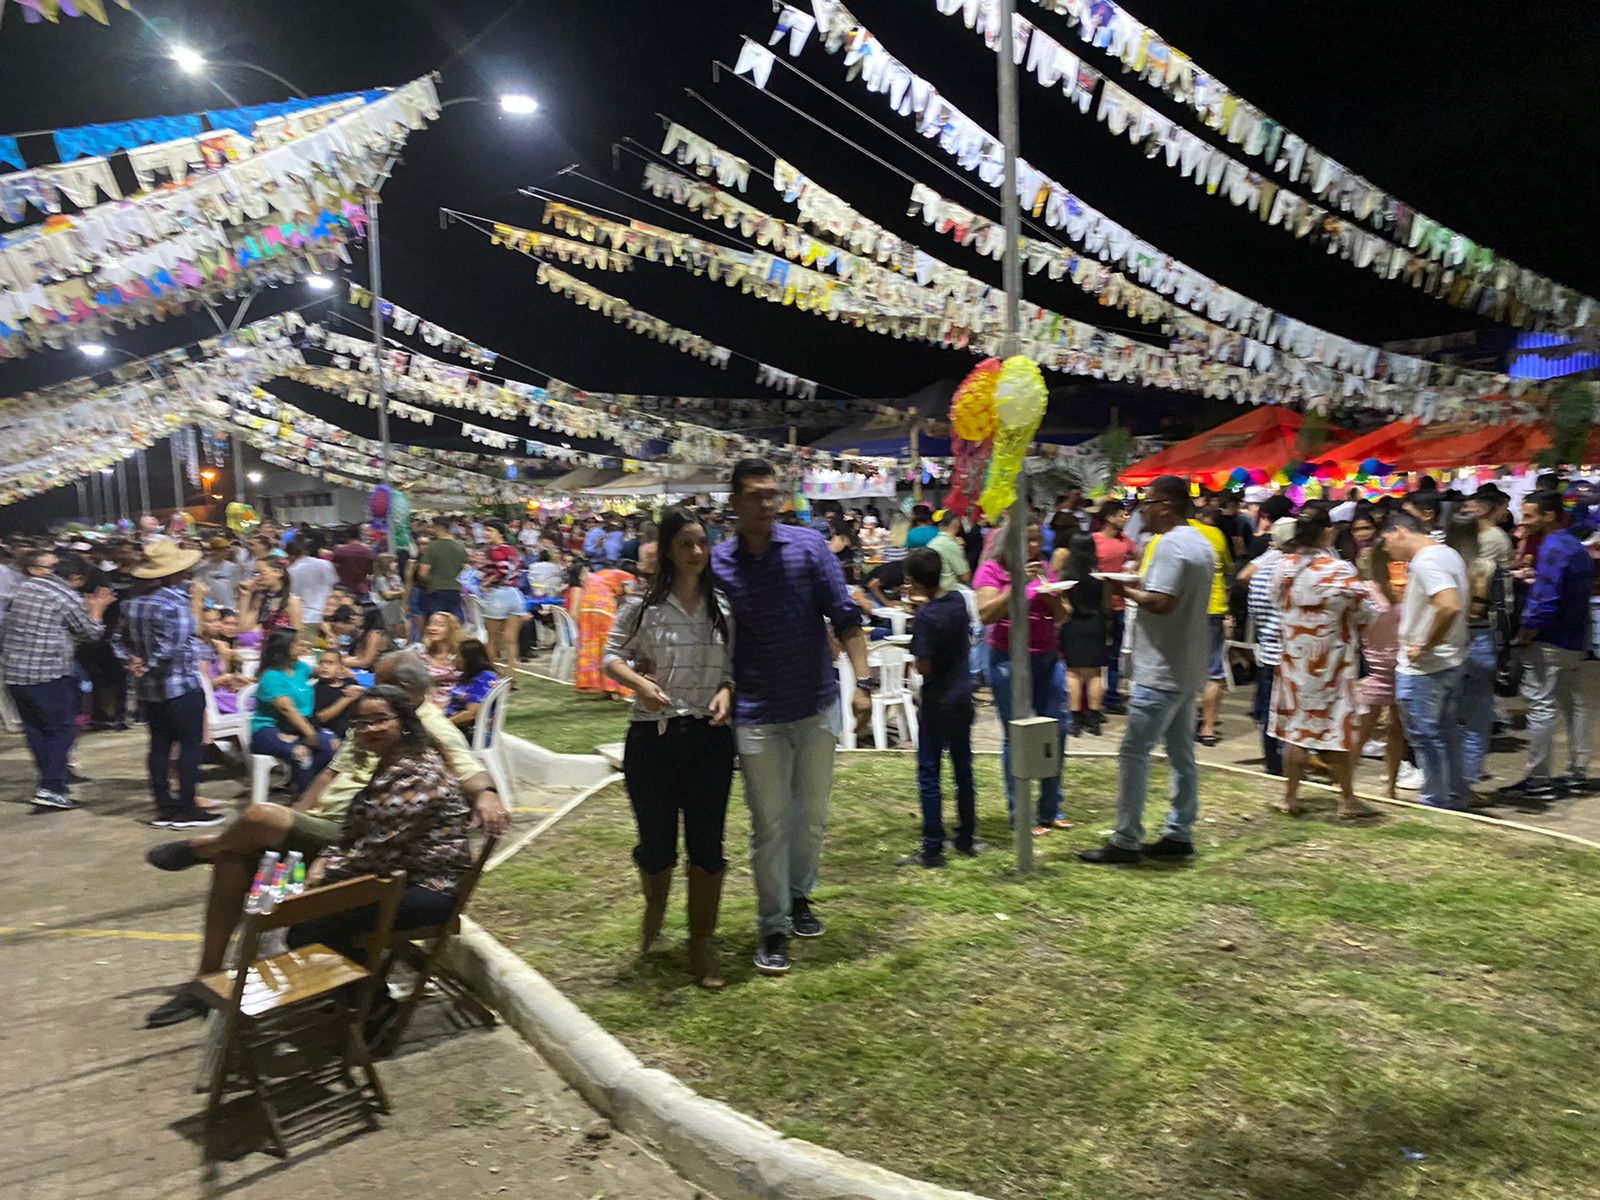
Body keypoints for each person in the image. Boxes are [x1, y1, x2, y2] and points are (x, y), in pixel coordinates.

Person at [142, 653, 506, 1027]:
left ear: (404, 700)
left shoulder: (424, 746)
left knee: (275, 847)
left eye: (379, 695)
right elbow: (334, 785)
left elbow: (382, 844)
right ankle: (207, 978)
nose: (368, 696)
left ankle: (365, 1004)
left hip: (383, 862)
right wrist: (297, 823)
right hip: (349, 842)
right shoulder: (372, 730)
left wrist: (488, 794)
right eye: (364, 720)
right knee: (235, 857)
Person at [711, 459, 871, 976]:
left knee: (813, 814)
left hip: (816, 703)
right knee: (770, 823)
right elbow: (710, 635)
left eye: (773, 494)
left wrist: (863, 683)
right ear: (734, 502)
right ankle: (773, 925)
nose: (767, 504)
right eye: (756, 495)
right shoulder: (719, 563)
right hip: (757, 712)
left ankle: (800, 895)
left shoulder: (808, 547)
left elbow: (844, 614)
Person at [602, 508, 736, 988]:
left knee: (708, 846)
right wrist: (640, 683)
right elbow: (610, 657)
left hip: (709, 738)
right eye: (685, 544)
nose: (696, 552)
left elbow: (732, 665)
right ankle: (654, 911)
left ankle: (701, 943)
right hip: (652, 738)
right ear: (667, 551)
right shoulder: (643, 606)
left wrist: (727, 689)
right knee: (656, 846)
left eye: (701, 542)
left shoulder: (723, 605)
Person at [286, 687, 472, 981]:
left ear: (404, 722)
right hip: (397, 875)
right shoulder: (393, 762)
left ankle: (369, 1000)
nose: (370, 729)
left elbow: (377, 850)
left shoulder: (415, 775)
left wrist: (321, 875)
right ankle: (361, 992)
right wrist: (326, 858)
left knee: (309, 924)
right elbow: (359, 833)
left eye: (380, 720)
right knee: (308, 911)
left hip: (429, 888)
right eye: (361, 723)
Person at [1080, 475, 1214, 866]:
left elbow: (1161, 603)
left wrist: (1122, 590)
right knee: (1182, 754)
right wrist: (1138, 583)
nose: (1142, 512)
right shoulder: (1200, 542)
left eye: (1147, 504)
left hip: (1161, 667)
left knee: (1134, 753)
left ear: (1166, 505)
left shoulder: (1170, 544)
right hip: (1187, 665)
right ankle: (1179, 832)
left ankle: (1126, 839)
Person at [1267, 509, 1381, 819]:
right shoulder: (1339, 570)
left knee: (1295, 729)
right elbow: (1366, 612)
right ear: (1327, 531)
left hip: (1294, 659)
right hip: (1332, 660)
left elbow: (1276, 602)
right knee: (1336, 728)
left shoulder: (1283, 567)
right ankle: (1346, 799)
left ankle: (1290, 797)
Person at [117, 539, 224, 829]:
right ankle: (187, 807)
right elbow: (174, 645)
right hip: (180, 685)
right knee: (190, 746)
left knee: (159, 747)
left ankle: (164, 806)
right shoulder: (174, 603)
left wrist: (132, 662)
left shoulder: (132, 603)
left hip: (147, 689)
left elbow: (117, 640)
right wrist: (148, 664)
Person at [973, 517, 1070, 835]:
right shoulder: (992, 571)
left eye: (1037, 539)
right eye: (1027, 540)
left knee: (1056, 730)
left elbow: (1063, 615)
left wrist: (1053, 598)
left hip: (1047, 657)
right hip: (1008, 659)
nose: (1034, 546)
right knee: (1016, 735)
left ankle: (1050, 808)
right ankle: (1022, 814)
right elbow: (986, 614)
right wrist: (1018, 584)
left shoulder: (1043, 568)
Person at [1502, 491, 1596, 801]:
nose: (1524, 521)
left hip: (1550, 640)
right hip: (1574, 638)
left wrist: (1525, 634)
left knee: (1541, 707)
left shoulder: (1552, 546)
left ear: (1549, 515)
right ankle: (1578, 772)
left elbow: (1545, 602)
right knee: (1574, 706)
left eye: (1529, 515)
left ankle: (1538, 779)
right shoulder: (1574, 546)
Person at [1, 550, 112, 810]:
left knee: (36, 728)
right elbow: (91, 633)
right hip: (47, 673)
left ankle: (56, 776)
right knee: (63, 728)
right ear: (75, 577)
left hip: (15, 673)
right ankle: (51, 787)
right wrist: (97, 609)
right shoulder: (63, 595)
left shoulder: (22, 588)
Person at [1383, 511, 1470, 810]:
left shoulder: (1426, 561)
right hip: (1450, 660)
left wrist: (1425, 645)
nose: (1387, 549)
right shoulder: (1448, 554)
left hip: (1426, 667)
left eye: (1386, 541)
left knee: (1424, 736)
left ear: (1399, 531)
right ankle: (1454, 793)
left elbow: (1449, 605)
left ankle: (1436, 800)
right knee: (1445, 731)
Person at [899, 546, 978, 868]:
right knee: (963, 770)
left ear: (916, 581)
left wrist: (920, 613)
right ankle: (966, 837)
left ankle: (933, 847)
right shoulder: (958, 601)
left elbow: (923, 666)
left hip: (937, 699)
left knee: (930, 773)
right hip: (962, 696)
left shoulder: (925, 617)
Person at [1448, 513, 1499, 801]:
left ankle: (1446, 781)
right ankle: (1464, 785)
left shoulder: (1439, 563)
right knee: (1477, 720)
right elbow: (1481, 610)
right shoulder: (1485, 566)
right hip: (1479, 641)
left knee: (1448, 719)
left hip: (1448, 642)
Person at [251, 628, 338, 793]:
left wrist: (340, 669)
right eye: (297, 643)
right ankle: (305, 796)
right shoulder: (271, 676)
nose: (301, 646)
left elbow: (321, 671)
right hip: (270, 728)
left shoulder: (300, 668)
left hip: (299, 725)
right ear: (284, 648)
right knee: (301, 753)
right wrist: (309, 733)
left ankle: (317, 789)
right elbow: (286, 708)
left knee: (332, 744)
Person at [1353, 540, 1408, 799]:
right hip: (1376, 669)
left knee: (1396, 731)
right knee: (1363, 730)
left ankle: (1390, 786)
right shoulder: (1366, 591)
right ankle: (1344, 783)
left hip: (1403, 667)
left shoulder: (1403, 588)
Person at [1243, 517, 1293, 776]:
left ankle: (1274, 764)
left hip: (1268, 650)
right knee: (1292, 714)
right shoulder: (1293, 569)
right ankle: (1291, 765)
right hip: (1291, 652)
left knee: (1270, 713)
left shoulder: (1261, 570)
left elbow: (1254, 610)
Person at [1058, 533, 1109, 737]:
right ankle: (1094, 718)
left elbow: (1063, 605)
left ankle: (1075, 718)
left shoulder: (1067, 576)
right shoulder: (1099, 575)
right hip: (1095, 623)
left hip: (1073, 624)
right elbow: (1106, 603)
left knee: (1073, 673)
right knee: (1095, 673)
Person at [1090, 501, 1137, 713]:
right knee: (1094, 653)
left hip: (1119, 604)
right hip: (1097, 604)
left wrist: (1131, 570)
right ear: (1110, 517)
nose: (1126, 519)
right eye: (1122, 515)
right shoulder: (1094, 540)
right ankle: (1092, 698)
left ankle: (1111, 697)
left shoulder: (1124, 540)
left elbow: (1138, 557)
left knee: (1114, 654)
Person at [575, 565, 635, 698]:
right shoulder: (629, 577)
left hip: (586, 608)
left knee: (593, 648)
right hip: (603, 609)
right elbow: (631, 597)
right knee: (611, 647)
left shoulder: (602, 574)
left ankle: (599, 685)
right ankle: (613, 687)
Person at [478, 519, 526, 677]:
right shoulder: (512, 550)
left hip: (497, 594)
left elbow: (502, 570)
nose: (486, 533)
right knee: (511, 640)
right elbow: (517, 570)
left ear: (499, 533)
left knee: (492, 638)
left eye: (490, 530)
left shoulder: (495, 550)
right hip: (515, 595)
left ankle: (492, 674)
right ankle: (511, 675)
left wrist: (486, 582)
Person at [417, 516, 470, 619]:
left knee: (437, 620)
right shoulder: (460, 547)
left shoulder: (432, 547)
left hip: (436, 590)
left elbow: (423, 573)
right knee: (454, 621)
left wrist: (429, 583)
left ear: (438, 527)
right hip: (455, 591)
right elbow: (467, 570)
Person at [445, 637, 500, 734]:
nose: (454, 659)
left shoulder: (485, 678)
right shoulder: (468, 676)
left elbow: (471, 714)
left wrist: (443, 725)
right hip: (453, 726)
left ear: (469, 659)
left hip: (465, 732)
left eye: (458, 656)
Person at [286, 536, 337, 640]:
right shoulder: (326, 564)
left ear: (291, 555)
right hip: (323, 614)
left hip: (302, 616)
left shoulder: (291, 570)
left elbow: (291, 593)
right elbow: (333, 583)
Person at [238, 556, 302, 636]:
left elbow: (297, 634)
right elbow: (242, 629)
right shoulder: (258, 598)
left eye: (262, 573)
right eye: (256, 574)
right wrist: (245, 596)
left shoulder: (292, 601)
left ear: (279, 572)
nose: (258, 578)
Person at [413, 611, 464, 707]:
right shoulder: (420, 654)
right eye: (430, 624)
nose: (432, 628)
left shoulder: (461, 656)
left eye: (440, 625)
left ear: (451, 630)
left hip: (455, 705)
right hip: (425, 704)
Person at [312, 647, 363, 738]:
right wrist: (346, 699)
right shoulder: (317, 689)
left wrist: (361, 690)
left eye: (330, 663)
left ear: (341, 668)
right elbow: (321, 717)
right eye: (321, 663)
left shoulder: (350, 682)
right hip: (334, 734)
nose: (324, 666)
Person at [327, 602, 388, 668]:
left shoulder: (375, 634)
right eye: (353, 614)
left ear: (368, 616)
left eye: (358, 615)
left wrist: (337, 661)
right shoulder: (363, 632)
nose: (352, 617)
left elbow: (366, 662)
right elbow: (358, 657)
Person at [927, 509, 972, 591]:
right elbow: (965, 577)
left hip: (934, 589)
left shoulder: (932, 543)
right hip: (950, 590)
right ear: (957, 523)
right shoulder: (951, 545)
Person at [194, 536, 244, 610]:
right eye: (219, 550)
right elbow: (198, 586)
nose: (224, 552)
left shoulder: (232, 567)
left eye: (225, 549)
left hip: (227, 603)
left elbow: (236, 587)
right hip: (209, 602)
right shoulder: (202, 567)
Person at [331, 525, 375, 602]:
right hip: (362, 589)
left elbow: (333, 568)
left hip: (343, 589)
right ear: (360, 535)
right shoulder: (367, 551)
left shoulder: (340, 550)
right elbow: (371, 571)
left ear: (347, 536)